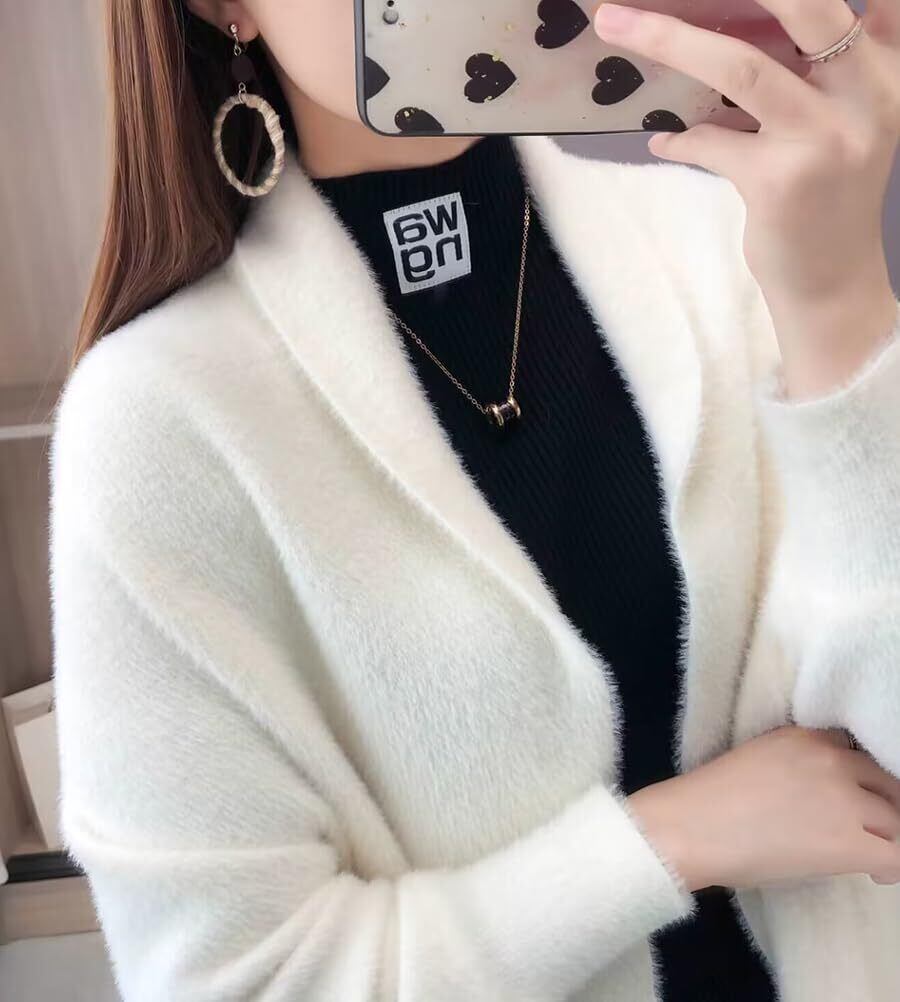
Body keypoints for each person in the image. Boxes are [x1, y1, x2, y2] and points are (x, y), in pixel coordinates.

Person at [50, 2, 900, 1001]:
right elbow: (238, 981)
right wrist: (670, 842)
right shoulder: (162, 417)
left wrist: (839, 303)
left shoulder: (734, 245)